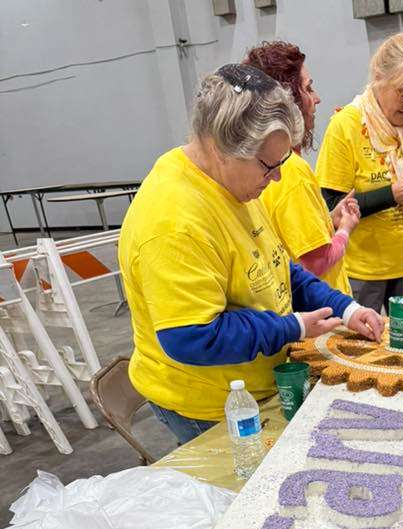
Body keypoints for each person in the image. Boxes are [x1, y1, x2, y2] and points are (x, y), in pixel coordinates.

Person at [119, 63, 383, 444]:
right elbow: (192, 337)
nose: (276, 178)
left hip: (256, 380)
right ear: (220, 147)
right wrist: (292, 327)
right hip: (209, 404)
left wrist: (346, 309)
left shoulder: (234, 183)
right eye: (268, 165)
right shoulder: (173, 221)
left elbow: (278, 269)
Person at [315, 32, 403, 313]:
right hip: (363, 272)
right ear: (379, 77)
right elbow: (330, 209)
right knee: (364, 352)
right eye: (402, 93)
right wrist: (393, 194)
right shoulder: (345, 125)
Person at [244, 41, 359, 295]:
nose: (316, 99)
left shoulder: (257, 165)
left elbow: (292, 246)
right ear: (289, 102)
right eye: (308, 89)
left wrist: (328, 221)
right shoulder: (290, 170)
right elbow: (314, 263)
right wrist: (345, 229)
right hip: (324, 309)